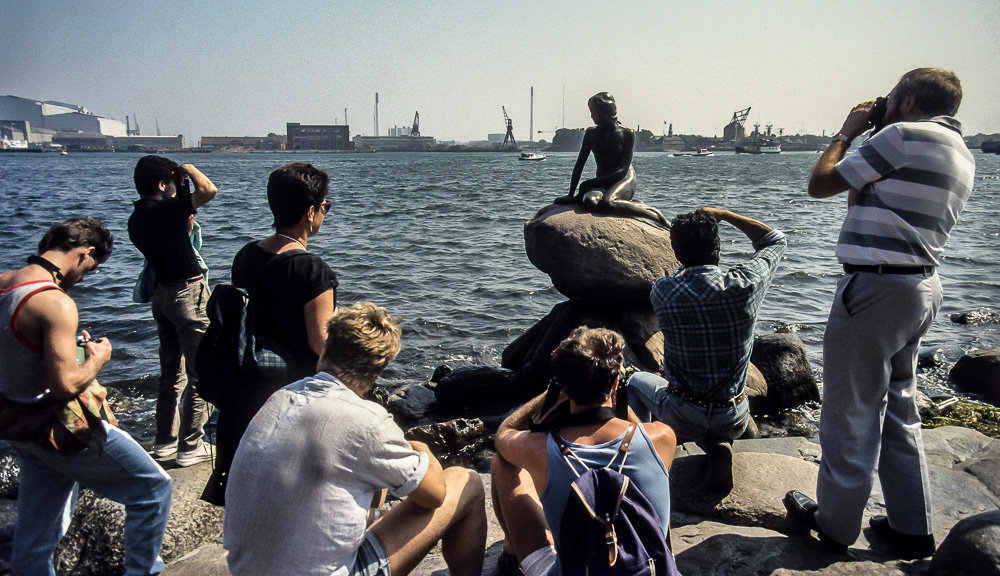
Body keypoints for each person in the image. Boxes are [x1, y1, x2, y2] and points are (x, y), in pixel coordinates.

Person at [784, 68, 975, 558]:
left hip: (875, 288)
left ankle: (835, 524)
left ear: (908, 99)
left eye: (889, 99)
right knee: (900, 408)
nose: (881, 105)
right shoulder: (961, 151)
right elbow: (860, 198)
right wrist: (876, 132)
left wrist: (847, 132)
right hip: (921, 288)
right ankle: (913, 526)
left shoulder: (902, 135)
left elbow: (822, 184)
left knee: (848, 411)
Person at [223, 302, 486, 576]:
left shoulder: (280, 398)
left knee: (370, 489)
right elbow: (435, 495)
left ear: (325, 349)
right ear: (379, 372)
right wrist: (422, 449)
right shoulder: (367, 420)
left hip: (245, 569)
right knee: (467, 482)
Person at [0, 218, 172, 575]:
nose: (85, 277)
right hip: (60, 429)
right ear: (84, 253)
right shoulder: (54, 302)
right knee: (153, 488)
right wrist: (96, 358)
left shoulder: (5, 283)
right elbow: (65, 385)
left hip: (19, 425)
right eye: (91, 269)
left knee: (34, 542)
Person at [202, 161, 338, 505]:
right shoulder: (311, 269)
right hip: (292, 395)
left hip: (248, 388)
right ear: (310, 212)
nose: (324, 212)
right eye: (326, 206)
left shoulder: (246, 255)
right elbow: (321, 345)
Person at [492, 326, 676, 576]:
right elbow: (635, 430)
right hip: (648, 569)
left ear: (564, 386)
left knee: (501, 463)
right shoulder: (662, 437)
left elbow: (503, 434)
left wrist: (553, 395)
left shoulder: (538, 447)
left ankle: (511, 553)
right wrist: (619, 391)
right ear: (613, 384)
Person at [628, 208, 786, 492]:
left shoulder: (663, 291)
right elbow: (775, 240)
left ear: (677, 251)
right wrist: (724, 214)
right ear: (718, 245)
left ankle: (648, 456)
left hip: (682, 413)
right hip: (733, 415)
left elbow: (677, 274)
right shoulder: (745, 284)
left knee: (634, 380)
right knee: (716, 423)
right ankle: (719, 447)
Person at [128, 155, 216, 467]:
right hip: (187, 294)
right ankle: (191, 445)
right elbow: (208, 190)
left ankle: (165, 441)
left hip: (161, 296)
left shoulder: (137, 217)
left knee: (171, 374)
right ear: (163, 184)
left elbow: (179, 232)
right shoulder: (166, 210)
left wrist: (178, 189)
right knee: (202, 371)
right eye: (173, 181)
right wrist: (188, 169)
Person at [554, 92, 669, 227]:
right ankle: (630, 205)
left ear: (604, 112)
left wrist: (587, 184)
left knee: (608, 202)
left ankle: (656, 217)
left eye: (593, 112)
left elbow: (622, 170)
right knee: (589, 202)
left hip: (623, 179)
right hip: (602, 181)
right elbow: (580, 164)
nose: (591, 116)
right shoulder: (591, 133)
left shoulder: (627, 134)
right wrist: (571, 194)